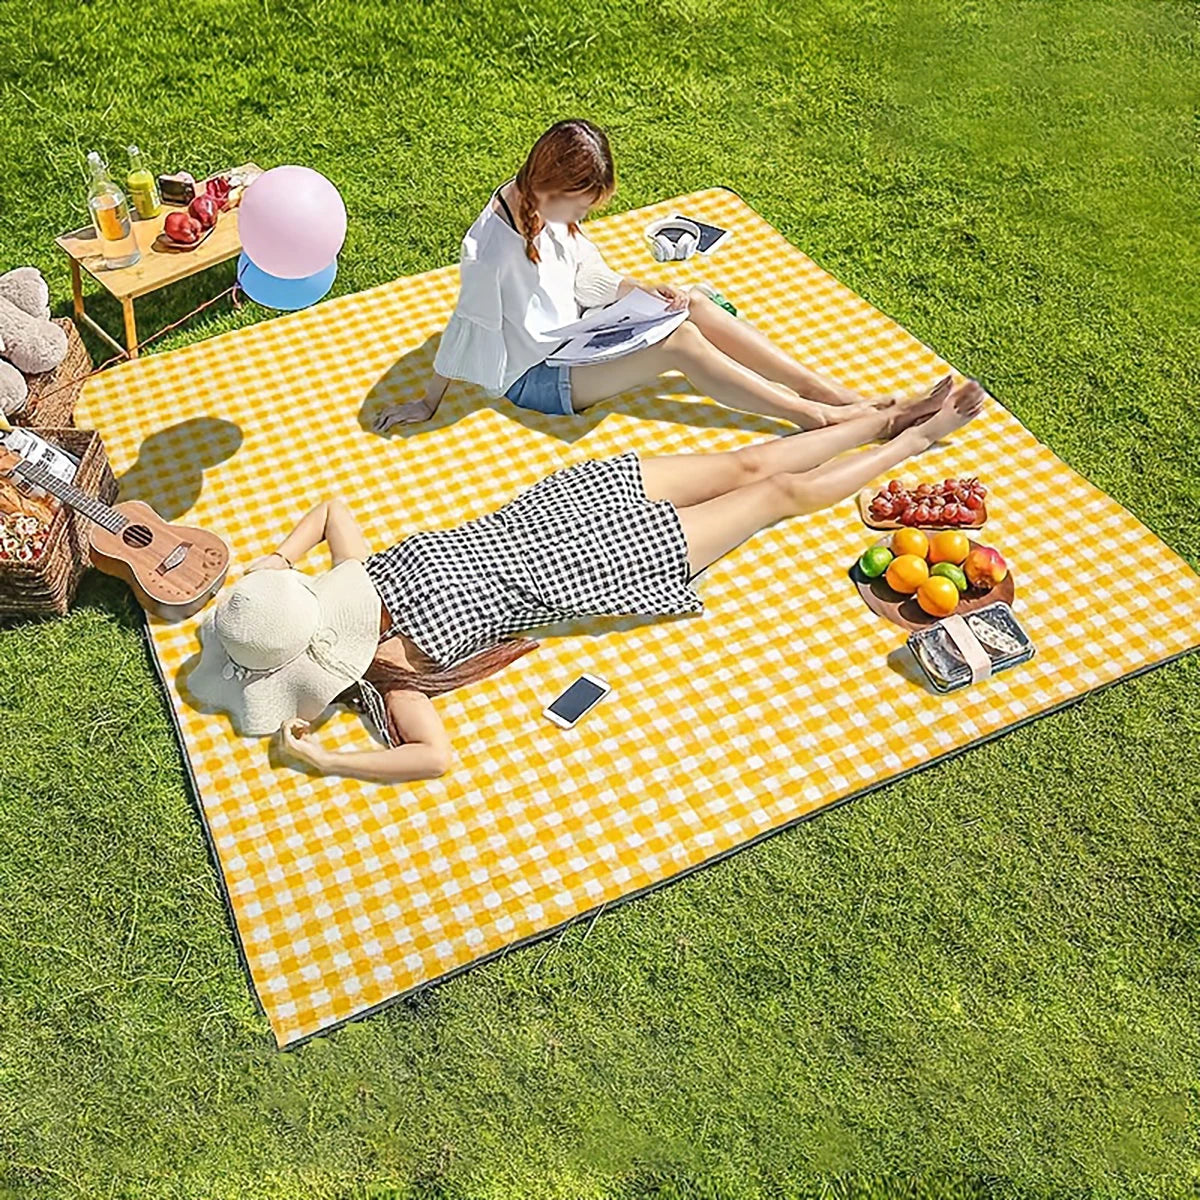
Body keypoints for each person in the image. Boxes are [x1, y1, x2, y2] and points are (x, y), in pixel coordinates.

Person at [186, 380, 986, 783]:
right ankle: (909, 447)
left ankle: (888, 418)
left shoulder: (349, 585)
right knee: (769, 496)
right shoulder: (394, 675)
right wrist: (328, 763)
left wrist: (282, 564)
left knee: (751, 461)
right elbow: (431, 759)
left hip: (564, 501)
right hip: (601, 565)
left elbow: (329, 507)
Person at [373, 118, 949, 435]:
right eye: (580, 208)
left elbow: (585, 274)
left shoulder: (541, 207)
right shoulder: (491, 248)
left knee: (690, 303)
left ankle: (824, 390)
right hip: (537, 376)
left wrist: (634, 290)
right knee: (682, 343)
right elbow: (467, 328)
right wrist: (427, 403)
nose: (582, 219)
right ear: (550, 189)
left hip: (575, 340)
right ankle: (818, 418)